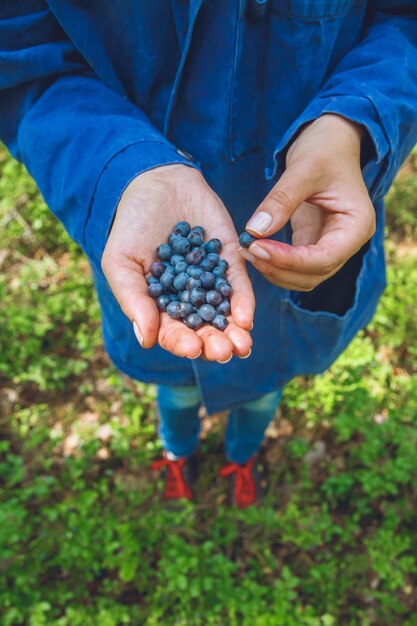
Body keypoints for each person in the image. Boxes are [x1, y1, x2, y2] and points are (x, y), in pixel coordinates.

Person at [1, 1, 416, 508]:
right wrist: (120, 170)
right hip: (135, 217)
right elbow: (23, 58)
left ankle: (241, 457)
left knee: (263, 388)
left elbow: (405, 21)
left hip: (298, 237)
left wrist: (353, 119)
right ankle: (179, 452)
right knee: (175, 388)